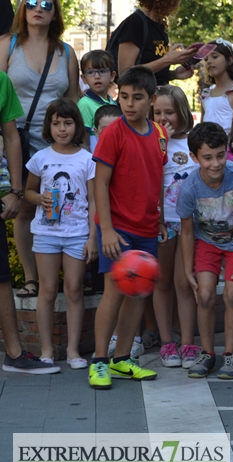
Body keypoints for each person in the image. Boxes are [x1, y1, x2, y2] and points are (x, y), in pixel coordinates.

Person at [88, 66, 168, 390]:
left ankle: (123, 359)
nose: (129, 104)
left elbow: (157, 178)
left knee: (138, 292)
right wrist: (106, 230)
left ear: (152, 99)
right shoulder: (113, 133)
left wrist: (160, 218)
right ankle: (99, 361)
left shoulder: (160, 133)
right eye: (124, 97)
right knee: (115, 291)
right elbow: (100, 184)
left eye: (137, 98)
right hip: (117, 228)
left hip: (147, 226)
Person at [0, 0, 80, 299]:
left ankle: (61, 277)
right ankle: (32, 278)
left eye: (46, 3)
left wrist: (79, 146)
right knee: (23, 208)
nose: (38, 8)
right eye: (30, 2)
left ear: (55, 12)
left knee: (59, 205)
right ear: (22, 8)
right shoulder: (7, 46)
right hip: (14, 140)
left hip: (56, 141)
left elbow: (73, 100)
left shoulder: (66, 52)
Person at [24, 99, 95, 370]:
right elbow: (28, 191)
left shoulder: (87, 159)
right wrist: (38, 198)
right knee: (48, 289)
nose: (62, 129)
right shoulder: (40, 157)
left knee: (75, 290)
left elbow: (93, 200)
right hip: (46, 233)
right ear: (49, 126)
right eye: (56, 124)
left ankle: (74, 350)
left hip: (77, 233)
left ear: (77, 125)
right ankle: (46, 349)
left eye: (67, 123)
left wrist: (92, 237)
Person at [178, 122, 233, 379]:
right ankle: (207, 353)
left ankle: (230, 354)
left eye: (220, 155)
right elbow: (187, 231)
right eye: (207, 158)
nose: (216, 163)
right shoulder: (189, 188)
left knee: (232, 294)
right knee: (205, 294)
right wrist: (188, 270)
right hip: (206, 243)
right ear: (195, 157)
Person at [1, 69, 60, 375]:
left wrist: (14, 190)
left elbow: (11, 136)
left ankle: (14, 353)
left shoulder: (0, 81)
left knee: (1, 277)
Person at [151, 85, 200, 369]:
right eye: (157, 112)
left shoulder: (193, 141)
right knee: (162, 281)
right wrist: (161, 143)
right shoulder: (154, 142)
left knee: (184, 282)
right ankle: (167, 342)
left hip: (189, 224)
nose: (163, 118)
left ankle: (188, 342)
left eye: (169, 112)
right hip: (163, 221)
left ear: (182, 112)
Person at [110, 0, 196, 86]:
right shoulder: (135, 23)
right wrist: (168, 59)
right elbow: (125, 74)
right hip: (138, 97)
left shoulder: (160, 25)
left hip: (156, 95)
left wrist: (174, 74)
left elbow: (151, 73)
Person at [200, 39, 233, 135]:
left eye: (214, 56)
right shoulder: (205, 94)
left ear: (230, 60)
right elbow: (202, 127)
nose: (209, 61)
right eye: (206, 59)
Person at [77, 50, 116, 152]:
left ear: (112, 76)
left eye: (102, 71)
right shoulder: (84, 104)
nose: (97, 76)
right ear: (84, 78)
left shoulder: (113, 103)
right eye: (90, 72)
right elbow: (83, 142)